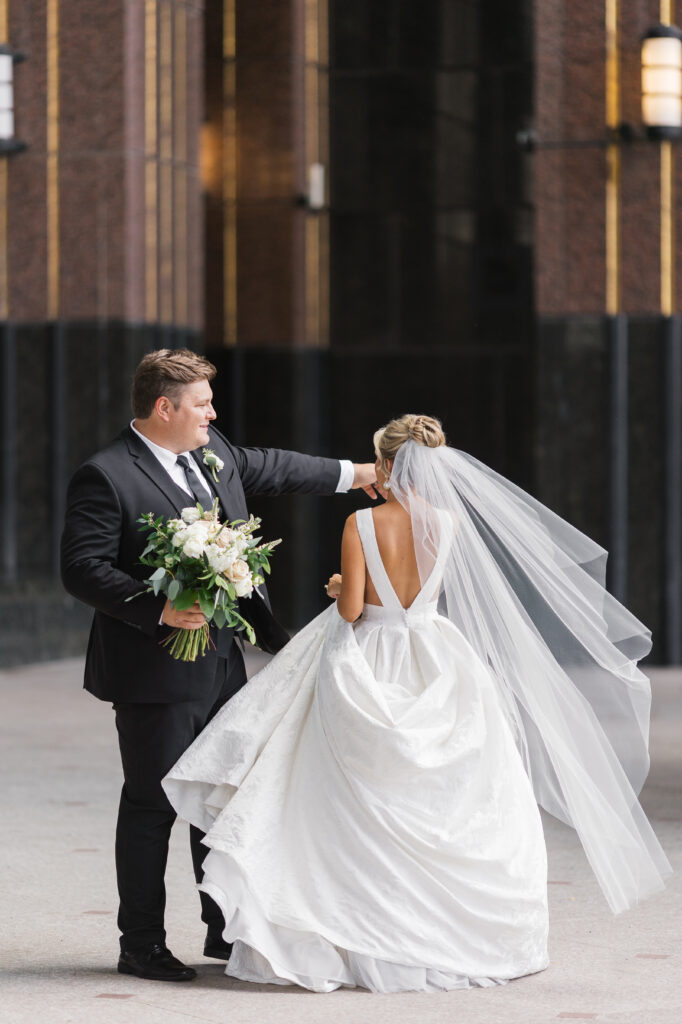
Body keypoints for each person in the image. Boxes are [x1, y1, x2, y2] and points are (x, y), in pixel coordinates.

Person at [163, 414, 670, 993]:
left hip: (370, 657)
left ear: (385, 466)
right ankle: (448, 930)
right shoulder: (448, 522)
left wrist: (339, 586)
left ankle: (350, 922)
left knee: (341, 785)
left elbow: (353, 611)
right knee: (452, 791)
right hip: (434, 654)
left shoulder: (361, 522)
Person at [60, 348, 378, 983]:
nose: (212, 413)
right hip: (152, 669)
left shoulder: (213, 452)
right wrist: (158, 609)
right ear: (164, 407)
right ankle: (140, 944)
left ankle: (222, 928)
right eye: (202, 403)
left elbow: (273, 467)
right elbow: (81, 567)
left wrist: (357, 473)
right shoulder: (106, 474)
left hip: (223, 662)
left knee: (222, 797)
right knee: (152, 804)